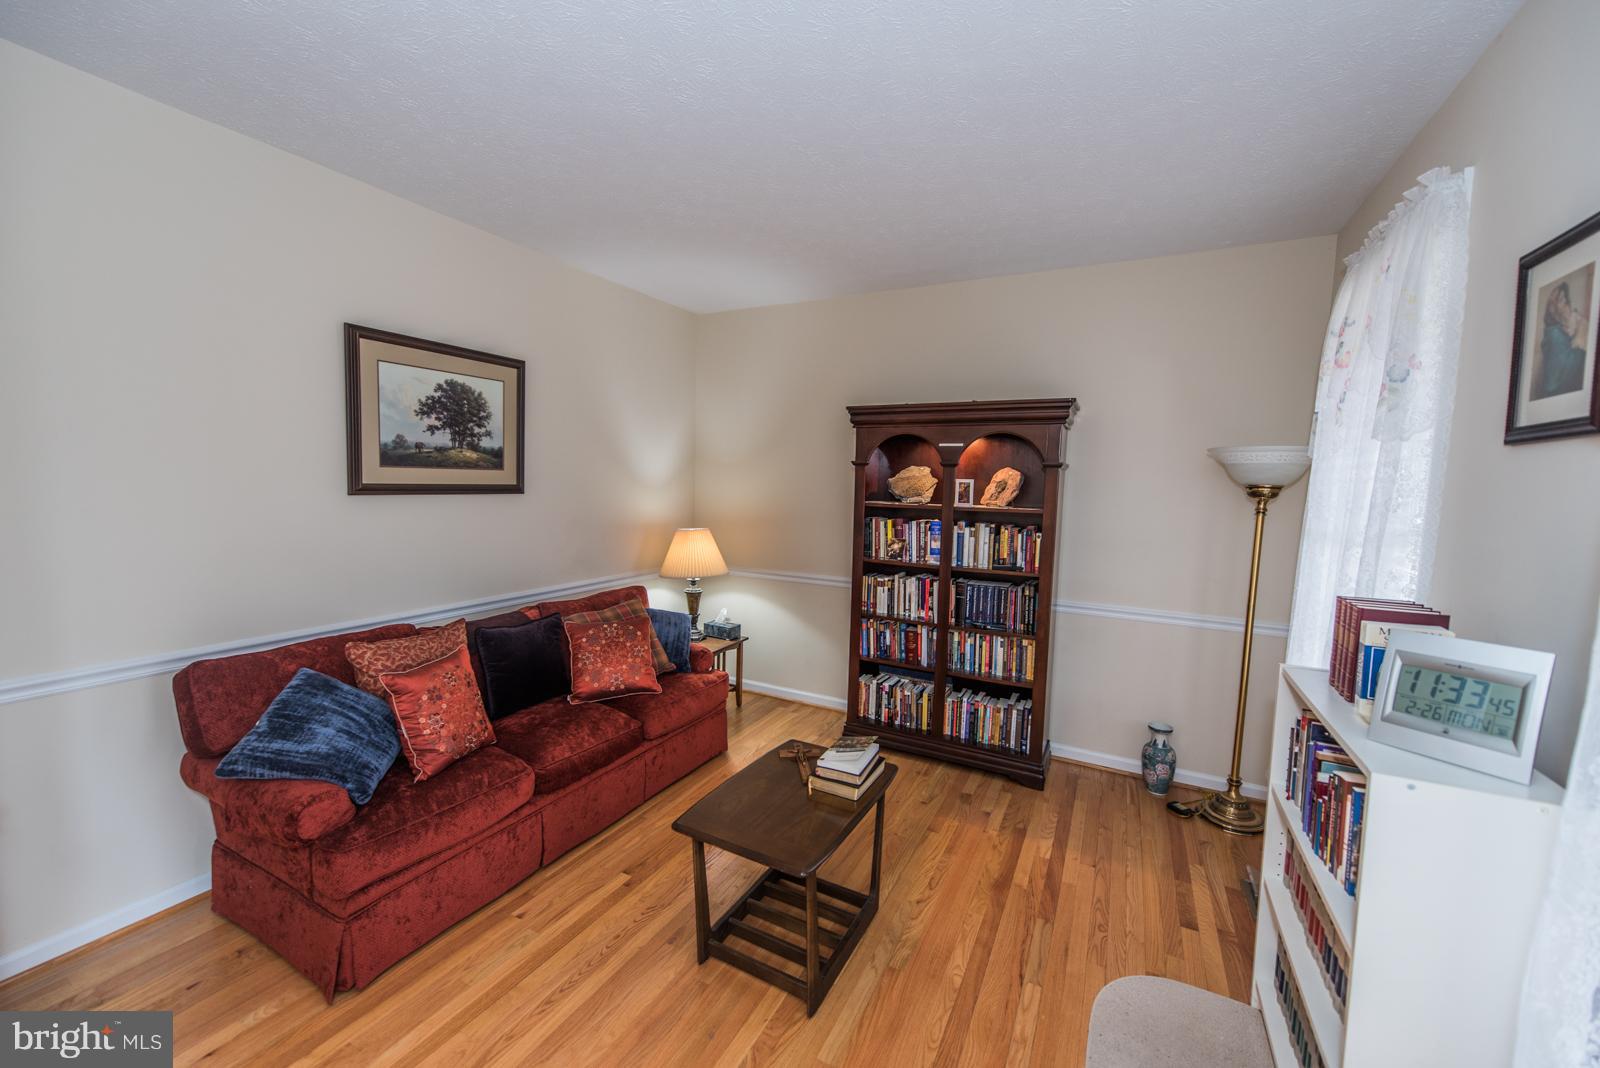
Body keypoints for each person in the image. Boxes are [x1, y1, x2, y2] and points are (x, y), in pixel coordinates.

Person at [1535, 280, 1588, 399]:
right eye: (1559, 300)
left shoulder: (1566, 326)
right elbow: (1553, 384)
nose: (1564, 304)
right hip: (1557, 395)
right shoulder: (1554, 334)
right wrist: (1580, 336)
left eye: (1565, 300)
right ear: (1551, 308)